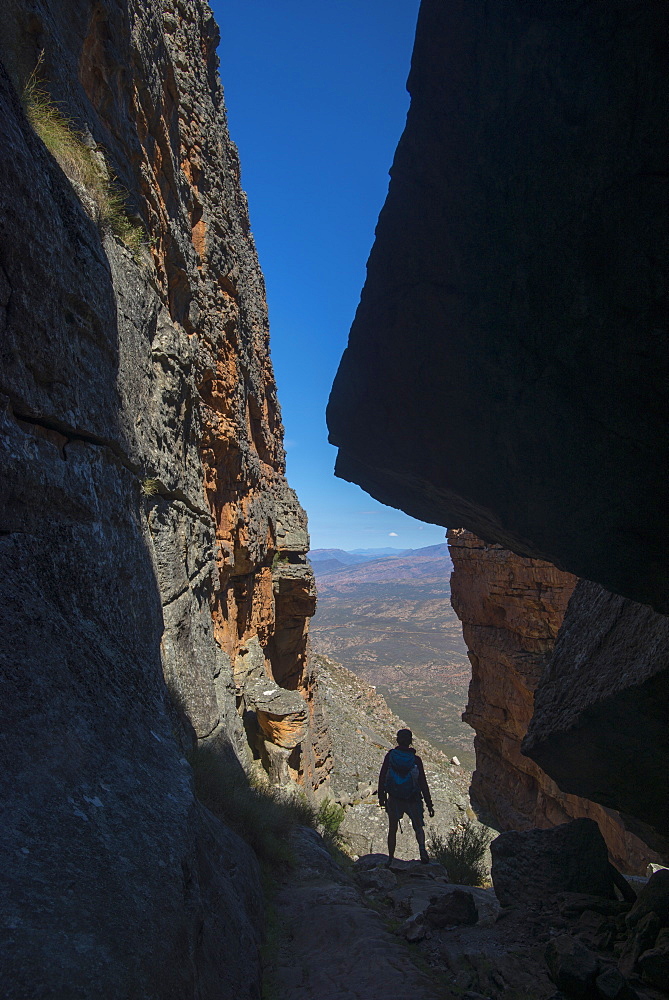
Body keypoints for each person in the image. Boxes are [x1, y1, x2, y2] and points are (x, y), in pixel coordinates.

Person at [378, 728, 435, 867]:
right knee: (418, 826)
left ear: (398, 740)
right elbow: (422, 782)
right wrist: (429, 804)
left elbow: (382, 776)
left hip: (395, 798)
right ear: (410, 742)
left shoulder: (391, 755)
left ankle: (390, 859)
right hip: (413, 798)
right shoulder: (416, 760)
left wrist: (381, 796)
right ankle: (422, 850)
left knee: (392, 829)